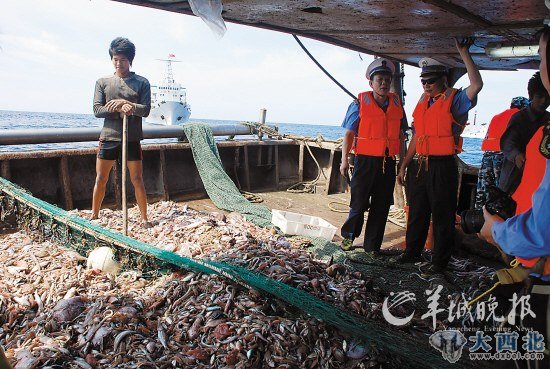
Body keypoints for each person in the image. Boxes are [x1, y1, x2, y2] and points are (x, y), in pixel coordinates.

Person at [480, 28, 550, 369]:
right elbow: (508, 142)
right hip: (516, 186)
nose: (544, 104)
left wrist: (496, 232)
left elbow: (542, 231)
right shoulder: (523, 120)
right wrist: (518, 155)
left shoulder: (547, 123)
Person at [395, 38, 483, 276]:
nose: (426, 85)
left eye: (431, 81)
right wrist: (404, 165)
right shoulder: (423, 103)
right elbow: (417, 137)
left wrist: (464, 52)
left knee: (442, 215)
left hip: (443, 166)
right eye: (423, 81)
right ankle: (412, 252)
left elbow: (476, 85)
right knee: (417, 211)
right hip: (420, 165)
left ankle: (439, 262)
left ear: (444, 80)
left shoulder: (455, 101)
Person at [339, 58, 407, 255]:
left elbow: (402, 137)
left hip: (387, 163)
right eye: (380, 80)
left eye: (387, 79)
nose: (384, 83)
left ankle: (372, 247)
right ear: (371, 83)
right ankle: (349, 238)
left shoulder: (397, 104)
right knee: (358, 203)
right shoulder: (358, 103)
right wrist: (344, 160)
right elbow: (349, 134)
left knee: (382, 205)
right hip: (364, 162)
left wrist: (402, 163)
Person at [91, 37, 151, 226]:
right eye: (116, 59)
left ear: (130, 60)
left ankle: (144, 218)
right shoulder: (103, 82)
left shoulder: (142, 83)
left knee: (137, 179)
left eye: (123, 60)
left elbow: (146, 110)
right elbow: (97, 110)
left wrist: (129, 104)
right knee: (101, 178)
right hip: (109, 137)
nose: (119, 63)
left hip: (132, 139)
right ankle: (94, 215)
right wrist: (117, 108)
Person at [498, 72, 550, 195]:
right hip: (515, 172)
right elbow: (508, 142)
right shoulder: (519, 118)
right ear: (531, 96)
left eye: (548, 97)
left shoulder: (548, 119)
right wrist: (516, 155)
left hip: (539, 175)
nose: (544, 101)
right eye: (540, 96)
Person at [474, 96, 530, 209]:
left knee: (484, 191)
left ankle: (479, 216)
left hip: (487, 157)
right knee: (502, 192)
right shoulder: (521, 117)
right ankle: (498, 220)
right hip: (503, 158)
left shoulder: (497, 117)